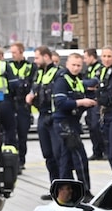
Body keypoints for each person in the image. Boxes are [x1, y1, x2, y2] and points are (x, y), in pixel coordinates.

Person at [51, 52, 95, 192]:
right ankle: (85, 191)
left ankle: (64, 192)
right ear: (67, 64)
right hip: (64, 123)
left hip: (73, 122)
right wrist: (81, 102)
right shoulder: (62, 80)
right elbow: (60, 103)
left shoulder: (77, 80)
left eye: (79, 65)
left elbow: (86, 88)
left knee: (66, 160)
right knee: (80, 157)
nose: (76, 68)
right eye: (73, 65)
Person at [27, 46, 60, 196]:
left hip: (53, 117)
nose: (35, 61)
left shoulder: (57, 73)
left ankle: (63, 189)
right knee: (48, 155)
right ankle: (54, 188)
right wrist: (31, 96)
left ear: (46, 57)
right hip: (42, 116)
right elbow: (36, 91)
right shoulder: (39, 73)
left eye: (37, 57)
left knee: (58, 154)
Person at [7, 43, 34, 170]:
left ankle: (21, 160)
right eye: (11, 52)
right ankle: (13, 160)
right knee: (11, 135)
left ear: (21, 52)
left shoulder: (30, 66)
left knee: (23, 134)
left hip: (23, 105)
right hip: (11, 104)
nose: (12, 55)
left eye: (14, 52)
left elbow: (33, 84)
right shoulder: (8, 66)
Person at [81, 49, 106, 160]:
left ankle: (105, 151)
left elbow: (93, 82)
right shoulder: (88, 69)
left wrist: (85, 84)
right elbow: (86, 83)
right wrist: (86, 85)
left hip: (97, 101)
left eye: (85, 57)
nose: (84, 60)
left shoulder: (100, 68)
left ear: (92, 57)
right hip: (89, 101)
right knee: (91, 127)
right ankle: (97, 152)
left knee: (97, 126)